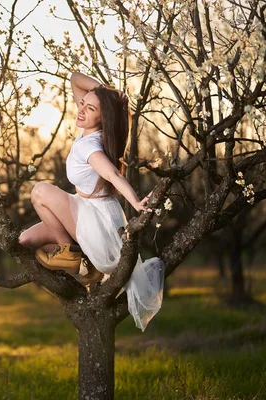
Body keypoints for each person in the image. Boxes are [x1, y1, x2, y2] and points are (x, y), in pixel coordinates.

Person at [18, 71, 165, 331]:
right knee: (24, 241)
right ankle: (79, 257)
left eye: (91, 108)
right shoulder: (87, 128)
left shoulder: (92, 147)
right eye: (83, 103)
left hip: (96, 223)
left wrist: (137, 203)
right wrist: (105, 94)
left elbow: (113, 175)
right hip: (85, 212)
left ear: (103, 117)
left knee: (40, 191)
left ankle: (70, 253)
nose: (82, 110)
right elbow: (75, 78)